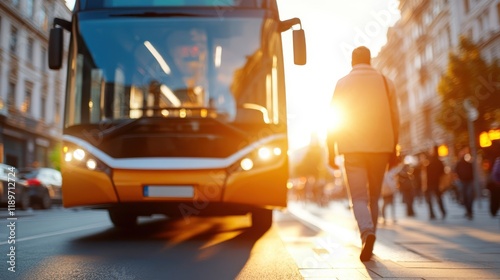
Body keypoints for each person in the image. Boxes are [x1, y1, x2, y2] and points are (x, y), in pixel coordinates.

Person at [327, 46, 399, 262]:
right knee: (374, 197)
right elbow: (396, 118)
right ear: (370, 61)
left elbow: (333, 117)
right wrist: (395, 148)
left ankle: (367, 234)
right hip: (380, 148)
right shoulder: (386, 82)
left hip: (352, 147)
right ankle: (371, 237)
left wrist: (331, 148)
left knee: (358, 197)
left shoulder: (342, 83)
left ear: (352, 61)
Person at [424, 146, 447, 220]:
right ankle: (442, 212)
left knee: (431, 199)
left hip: (431, 183)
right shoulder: (438, 162)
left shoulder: (429, 161)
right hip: (436, 183)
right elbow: (443, 173)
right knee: (438, 198)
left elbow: (426, 174)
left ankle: (432, 213)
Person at [454, 147, 475, 220]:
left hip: (468, 181)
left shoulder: (469, 162)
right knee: (465, 197)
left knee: (469, 196)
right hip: (462, 181)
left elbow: (473, 171)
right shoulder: (458, 163)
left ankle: (470, 211)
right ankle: (468, 211)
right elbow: (455, 172)